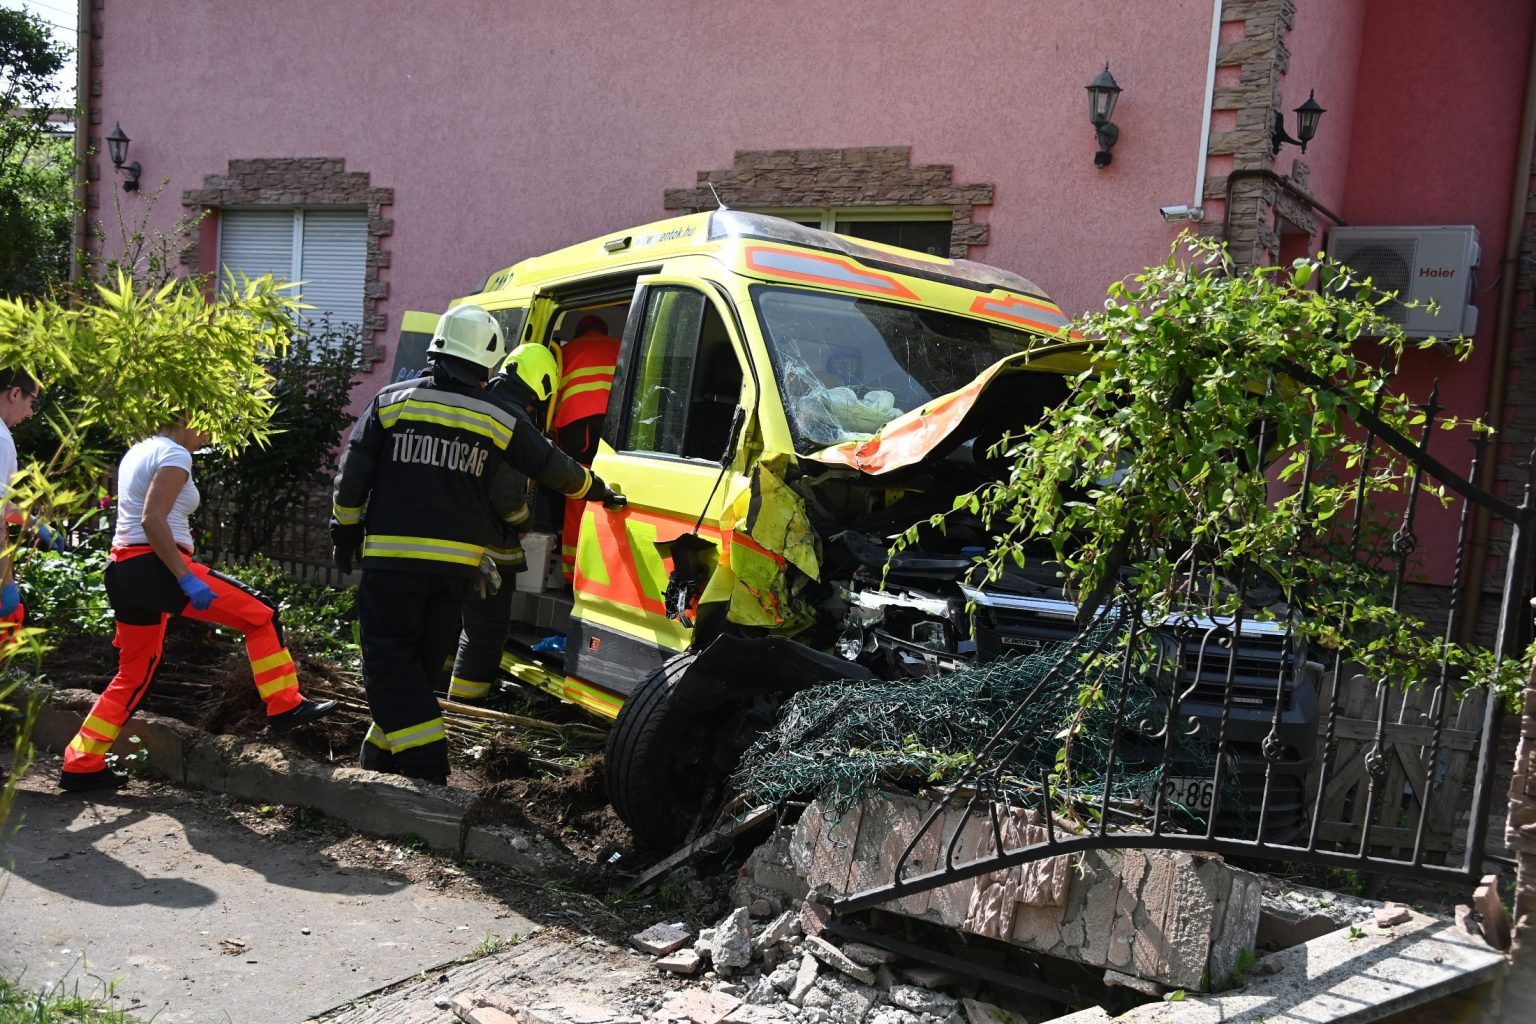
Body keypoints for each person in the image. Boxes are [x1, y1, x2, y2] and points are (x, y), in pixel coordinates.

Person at [331, 305, 622, 784]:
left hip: (393, 565)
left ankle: (429, 772)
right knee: (421, 669)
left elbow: (353, 472)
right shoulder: (497, 417)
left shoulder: (391, 401)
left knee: (389, 667)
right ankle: (379, 761)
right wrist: (599, 489)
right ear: (487, 362)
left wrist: (343, 531)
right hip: (455, 572)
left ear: (437, 349)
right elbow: (553, 466)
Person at [58, 416, 338, 792]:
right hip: (157, 567)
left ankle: (82, 762)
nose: (210, 434)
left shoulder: (138, 450)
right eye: (208, 423)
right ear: (189, 417)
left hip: (123, 570)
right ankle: (285, 704)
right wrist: (184, 577)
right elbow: (152, 519)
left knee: (133, 675)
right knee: (262, 614)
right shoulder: (175, 454)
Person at [444, 342, 560, 703]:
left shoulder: (479, 402)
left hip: (450, 537)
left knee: (449, 621)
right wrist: (523, 522)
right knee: (486, 630)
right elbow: (507, 492)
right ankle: (466, 707)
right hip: (489, 546)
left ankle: (436, 689)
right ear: (540, 388)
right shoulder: (512, 420)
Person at [552, 314, 621, 579]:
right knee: (612, 493)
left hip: (578, 427)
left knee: (577, 494)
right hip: (615, 426)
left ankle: (572, 572)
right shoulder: (619, 346)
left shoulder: (566, 352)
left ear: (580, 332)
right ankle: (605, 573)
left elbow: (552, 396)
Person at [0, 369, 40, 648]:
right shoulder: (1, 439)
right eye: (31, 403)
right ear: (15, 393)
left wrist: (33, 523)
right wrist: (5, 582)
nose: (30, 413)